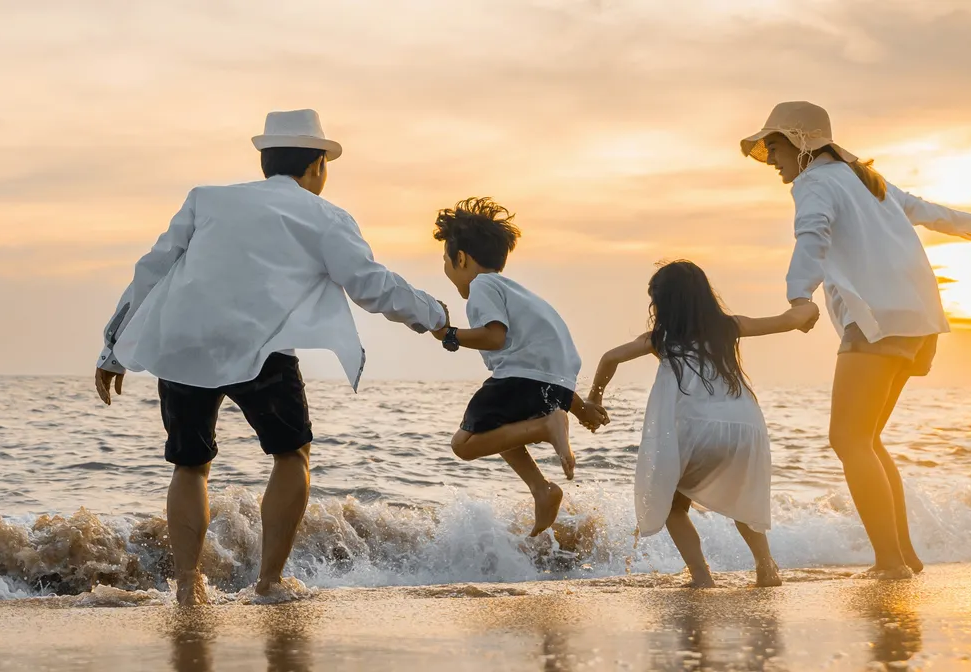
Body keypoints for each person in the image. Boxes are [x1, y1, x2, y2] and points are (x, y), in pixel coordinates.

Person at [93, 109, 450, 605]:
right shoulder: (324, 216)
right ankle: (268, 582)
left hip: (184, 344)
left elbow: (151, 268)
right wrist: (436, 318)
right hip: (261, 351)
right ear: (317, 165)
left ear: (266, 162)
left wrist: (112, 348)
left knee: (190, 465)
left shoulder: (206, 199)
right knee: (291, 455)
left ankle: (187, 587)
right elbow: (371, 285)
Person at [740, 101, 971, 578]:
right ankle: (903, 557)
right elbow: (940, 215)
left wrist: (797, 297)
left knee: (847, 440)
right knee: (866, 439)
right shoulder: (869, 183)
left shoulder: (816, 183)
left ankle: (889, 563)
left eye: (774, 143)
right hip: (919, 323)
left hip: (878, 321)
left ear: (801, 143)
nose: (770, 155)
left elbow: (813, 233)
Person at [585, 260, 818, 588]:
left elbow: (610, 357)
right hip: (745, 428)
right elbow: (790, 319)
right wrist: (808, 307)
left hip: (698, 429)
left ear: (663, 303)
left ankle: (701, 576)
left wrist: (594, 398)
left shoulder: (661, 338)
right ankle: (766, 567)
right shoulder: (729, 327)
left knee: (672, 505)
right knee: (743, 504)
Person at [427, 197, 608, 538]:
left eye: (445, 261)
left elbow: (495, 337)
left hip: (521, 379)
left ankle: (544, 429)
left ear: (460, 258)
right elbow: (549, 372)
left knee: (464, 444)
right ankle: (542, 489)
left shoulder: (482, 287)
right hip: (551, 384)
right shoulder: (522, 294)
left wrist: (449, 335)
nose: (447, 269)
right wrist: (581, 409)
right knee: (499, 429)